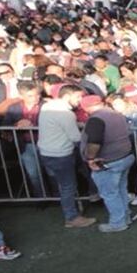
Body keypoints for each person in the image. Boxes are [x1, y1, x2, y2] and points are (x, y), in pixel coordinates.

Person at [37, 85, 95, 229]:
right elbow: (75, 137)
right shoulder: (66, 114)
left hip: (46, 151)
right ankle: (72, 217)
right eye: (78, 97)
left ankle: (71, 211)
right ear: (67, 96)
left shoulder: (47, 107)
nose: (80, 100)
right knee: (68, 186)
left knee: (63, 185)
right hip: (61, 154)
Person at [80, 95, 135, 232]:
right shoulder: (117, 114)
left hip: (108, 161)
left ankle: (118, 223)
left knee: (110, 193)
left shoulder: (96, 119)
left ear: (85, 108)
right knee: (121, 188)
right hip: (125, 156)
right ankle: (125, 217)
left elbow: (94, 142)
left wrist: (90, 158)